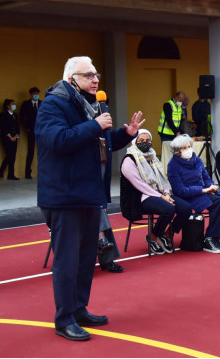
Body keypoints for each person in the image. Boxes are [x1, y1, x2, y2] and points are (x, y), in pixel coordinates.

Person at [36, 56, 144, 341]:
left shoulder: (91, 106)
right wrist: (96, 125)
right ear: (71, 79)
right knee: (68, 260)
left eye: (96, 75)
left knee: (86, 259)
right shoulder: (53, 105)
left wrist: (124, 135)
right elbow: (58, 140)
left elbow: (100, 144)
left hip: (89, 193)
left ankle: (79, 308)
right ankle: (64, 319)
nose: (96, 80)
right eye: (89, 75)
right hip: (64, 196)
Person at [121, 129, 191, 254]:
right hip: (140, 198)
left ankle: (167, 235)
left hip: (159, 195)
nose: (145, 143)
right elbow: (139, 185)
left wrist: (166, 193)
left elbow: (162, 180)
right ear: (134, 142)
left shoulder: (153, 157)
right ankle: (152, 238)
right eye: (141, 140)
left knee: (186, 208)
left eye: (148, 140)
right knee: (168, 209)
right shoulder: (129, 160)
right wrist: (161, 196)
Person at [168, 134, 220, 254]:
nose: (188, 150)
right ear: (177, 151)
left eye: (189, 146)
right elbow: (180, 190)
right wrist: (203, 190)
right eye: (184, 148)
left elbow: (206, 177)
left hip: (203, 192)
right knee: (218, 202)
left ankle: (216, 237)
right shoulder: (173, 165)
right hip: (187, 196)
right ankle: (209, 239)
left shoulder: (197, 160)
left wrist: (212, 187)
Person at [158, 91, 185, 173]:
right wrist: (177, 132)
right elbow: (169, 121)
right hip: (166, 134)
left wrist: (179, 131)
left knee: (175, 153)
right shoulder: (168, 105)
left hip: (174, 134)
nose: (181, 102)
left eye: (182, 100)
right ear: (176, 97)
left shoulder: (179, 107)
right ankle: (166, 172)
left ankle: (173, 171)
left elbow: (178, 121)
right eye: (180, 100)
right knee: (167, 154)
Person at [20, 87, 41, 179]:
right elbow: (21, 116)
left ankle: (42, 172)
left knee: (42, 151)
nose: (36, 95)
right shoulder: (26, 104)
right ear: (31, 94)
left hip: (41, 130)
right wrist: (27, 127)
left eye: (37, 93)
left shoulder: (42, 103)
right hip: (31, 129)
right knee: (31, 150)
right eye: (34, 93)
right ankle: (28, 172)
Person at [0, 98, 20, 180]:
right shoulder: (3, 115)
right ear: (7, 106)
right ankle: (2, 169)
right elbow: (3, 127)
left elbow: (18, 127)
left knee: (13, 156)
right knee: (9, 154)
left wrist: (16, 136)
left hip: (15, 137)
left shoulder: (15, 115)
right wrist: (10, 137)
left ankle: (11, 174)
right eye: (12, 104)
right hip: (7, 138)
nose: (14, 105)